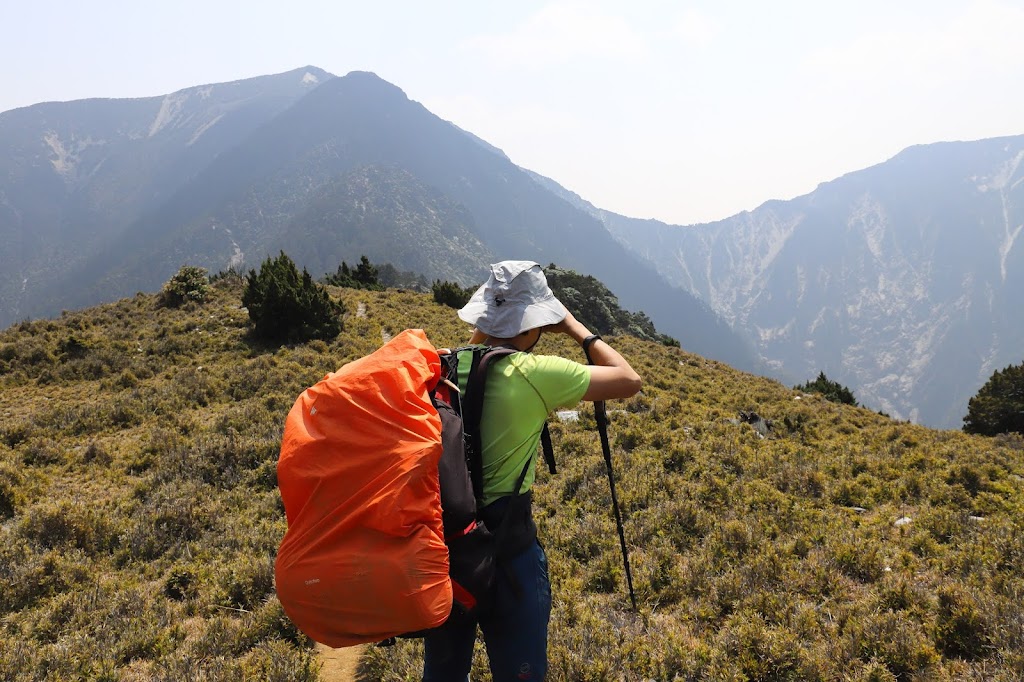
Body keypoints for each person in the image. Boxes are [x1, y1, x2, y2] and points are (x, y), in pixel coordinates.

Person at [423, 260, 642, 682]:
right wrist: (576, 327)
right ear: (535, 323)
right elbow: (628, 379)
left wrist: (489, 326)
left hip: (447, 554)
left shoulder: (443, 369)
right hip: (510, 556)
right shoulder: (536, 374)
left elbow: (473, 355)